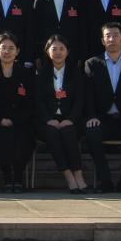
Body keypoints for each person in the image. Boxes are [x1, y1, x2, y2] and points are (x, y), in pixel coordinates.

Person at [83, 22, 121, 193]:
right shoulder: (92, 64)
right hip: (102, 120)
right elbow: (88, 95)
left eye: (115, 35)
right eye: (108, 36)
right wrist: (92, 116)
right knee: (91, 133)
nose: (112, 39)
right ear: (102, 41)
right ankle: (105, 181)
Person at [35, 34, 89, 194]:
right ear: (47, 51)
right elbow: (38, 101)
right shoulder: (41, 73)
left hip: (70, 119)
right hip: (47, 121)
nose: (58, 52)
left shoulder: (75, 73)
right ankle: (68, 174)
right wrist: (48, 119)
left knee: (68, 132)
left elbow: (80, 100)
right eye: (54, 49)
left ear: (67, 51)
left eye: (61, 49)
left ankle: (78, 173)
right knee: (52, 133)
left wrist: (71, 119)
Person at [0, 32, 34, 193]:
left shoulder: (25, 73)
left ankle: (18, 176)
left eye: (11, 48)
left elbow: (30, 103)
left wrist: (15, 119)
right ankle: (7, 175)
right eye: (3, 47)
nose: (7, 51)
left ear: (17, 51)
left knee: (22, 137)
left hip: (20, 120)